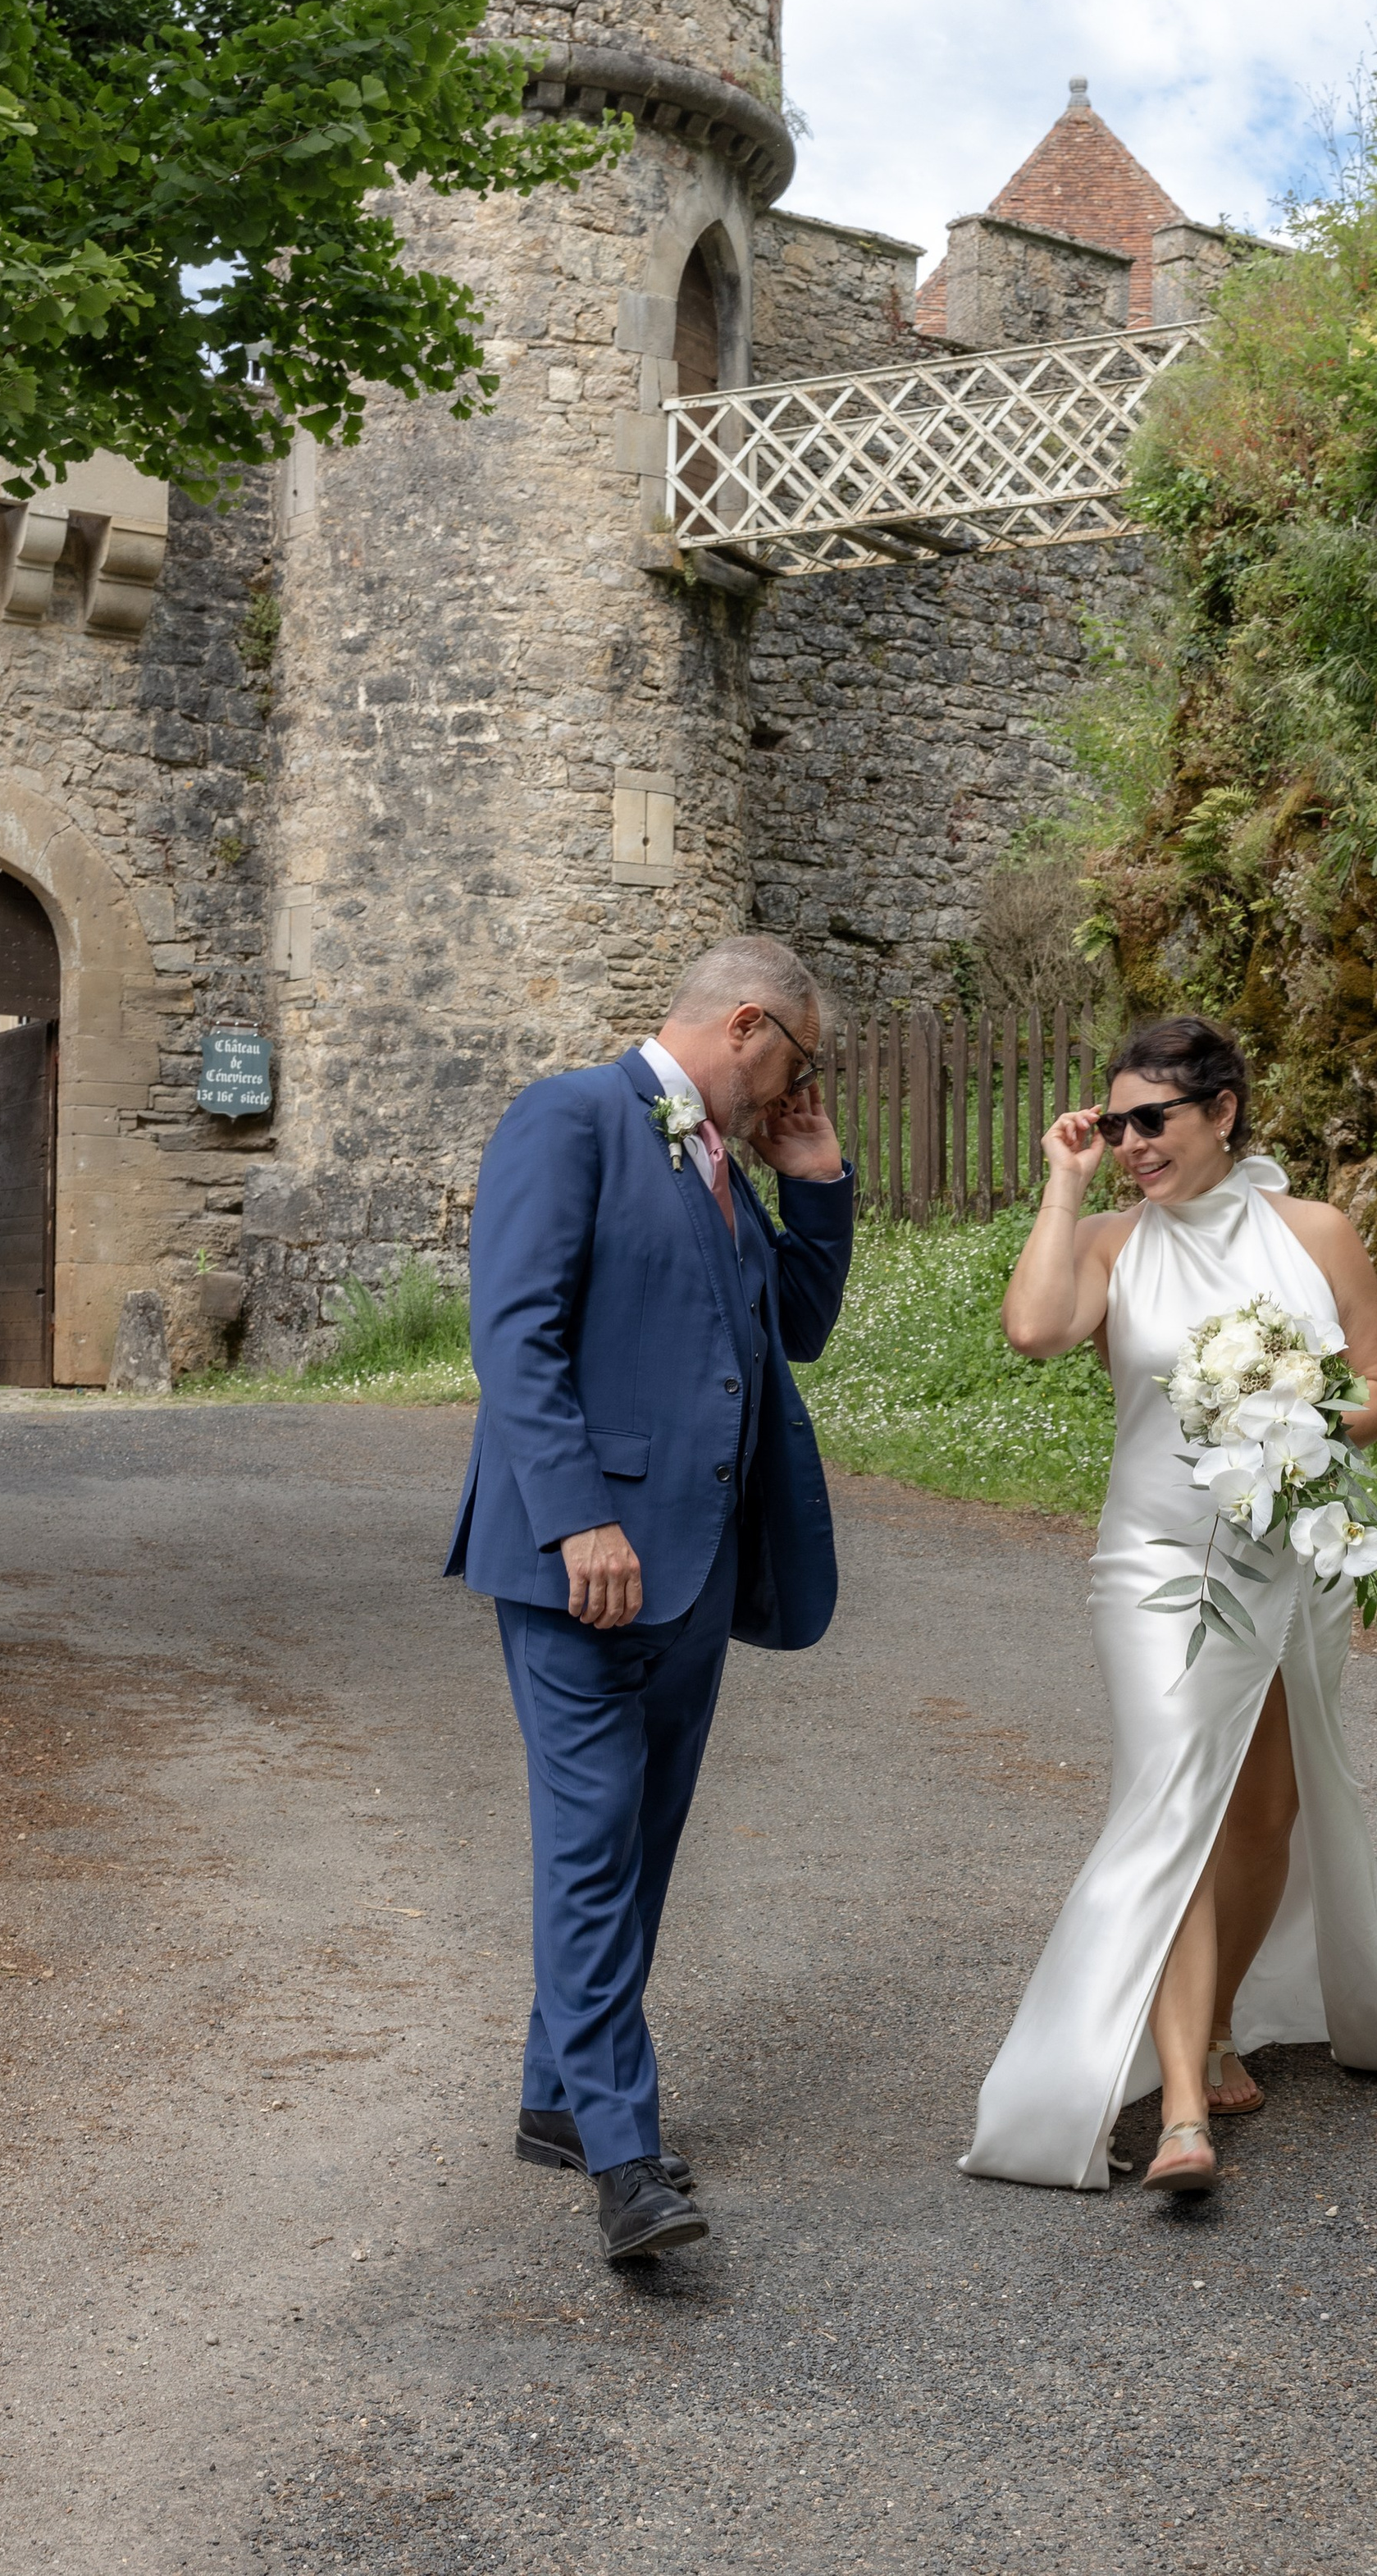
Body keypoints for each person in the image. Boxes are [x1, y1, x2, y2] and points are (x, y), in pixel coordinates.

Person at [960, 1015, 1377, 2197]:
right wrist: (1064, 1185)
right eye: (1115, 1124)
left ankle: (1206, 2031)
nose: (1132, 1143)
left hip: (1291, 1557)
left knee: (1261, 1814)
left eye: (1151, 1120)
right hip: (1155, 1566)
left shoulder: (1317, 1233)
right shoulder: (1110, 1241)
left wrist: (1292, 1419)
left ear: (1225, 1111)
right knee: (1168, 1806)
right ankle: (1184, 2117)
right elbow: (1034, 1332)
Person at [445, 938, 854, 2263]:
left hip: (697, 1562)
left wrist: (820, 1185)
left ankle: (558, 2097)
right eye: (798, 1063)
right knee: (589, 1842)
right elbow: (516, 1333)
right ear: (749, 1027)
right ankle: (626, 2160)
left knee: (639, 1842)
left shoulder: (726, 1163)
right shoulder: (569, 1117)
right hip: (583, 1560)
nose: (795, 1089)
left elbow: (790, 1328)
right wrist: (577, 1515)